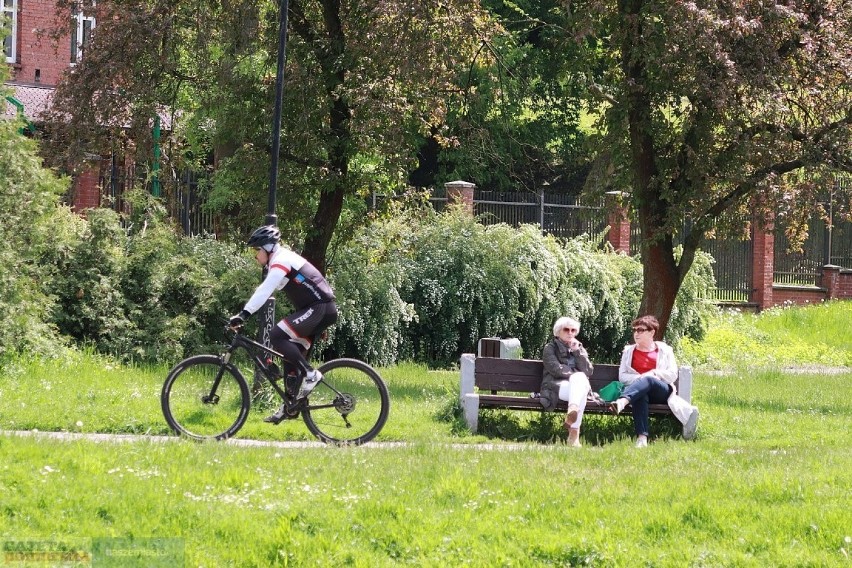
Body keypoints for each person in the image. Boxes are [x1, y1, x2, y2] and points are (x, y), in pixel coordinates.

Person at [229, 225, 338, 423]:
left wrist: (244, 314)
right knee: (289, 357)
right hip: (318, 311)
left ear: (268, 248)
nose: (255, 256)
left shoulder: (281, 260)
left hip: (320, 309)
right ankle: (290, 406)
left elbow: (265, 290)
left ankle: (311, 374)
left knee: (277, 335)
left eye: (257, 250)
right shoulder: (280, 260)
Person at [611, 315, 699, 447]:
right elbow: (622, 376)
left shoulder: (665, 350)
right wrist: (641, 378)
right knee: (641, 395)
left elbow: (672, 375)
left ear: (652, 332)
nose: (636, 333)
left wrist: (654, 373)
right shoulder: (628, 351)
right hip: (638, 391)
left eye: (641, 330)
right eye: (635, 330)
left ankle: (622, 402)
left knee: (649, 380)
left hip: (662, 391)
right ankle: (642, 438)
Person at [540, 316, 594, 447]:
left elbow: (588, 371)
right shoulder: (550, 348)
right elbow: (556, 369)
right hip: (557, 387)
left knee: (580, 380)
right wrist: (575, 376)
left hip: (576, 388)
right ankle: (574, 434)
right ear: (558, 331)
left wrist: (577, 352)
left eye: (573, 330)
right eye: (566, 329)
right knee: (579, 380)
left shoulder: (578, 347)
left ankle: (572, 410)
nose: (570, 333)